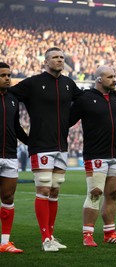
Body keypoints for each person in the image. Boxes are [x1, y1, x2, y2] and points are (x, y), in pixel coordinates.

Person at [9, 47, 83, 251]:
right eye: (55, 58)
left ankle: (51, 235)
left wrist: (70, 120)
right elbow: (9, 96)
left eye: (62, 57)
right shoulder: (33, 83)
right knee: (43, 189)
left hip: (61, 145)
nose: (60, 60)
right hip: (41, 145)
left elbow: (83, 102)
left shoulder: (69, 84)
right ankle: (45, 240)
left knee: (54, 190)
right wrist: (20, 132)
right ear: (46, 62)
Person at [69, 65, 116, 247]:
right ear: (99, 79)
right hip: (95, 155)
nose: (114, 80)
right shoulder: (85, 99)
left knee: (112, 194)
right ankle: (87, 235)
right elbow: (68, 121)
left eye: (114, 76)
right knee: (95, 194)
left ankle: (110, 233)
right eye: (110, 77)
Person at [0, 62, 28, 253]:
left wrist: (31, 142)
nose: (8, 78)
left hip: (10, 154)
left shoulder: (12, 99)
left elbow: (16, 127)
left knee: (8, 197)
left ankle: (5, 242)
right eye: (3, 75)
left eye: (9, 75)